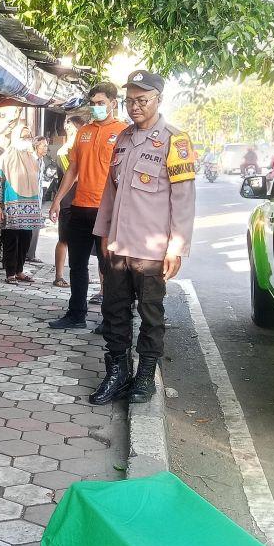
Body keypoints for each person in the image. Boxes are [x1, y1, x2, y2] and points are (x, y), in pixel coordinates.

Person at [92, 70, 196, 405]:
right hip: (119, 245)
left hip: (151, 250)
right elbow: (110, 192)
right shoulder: (122, 139)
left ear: (158, 100)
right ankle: (118, 372)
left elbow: (183, 200)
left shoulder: (175, 141)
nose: (135, 107)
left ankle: (145, 377)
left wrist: (175, 248)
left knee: (151, 313)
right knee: (114, 310)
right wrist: (104, 235)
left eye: (142, 100)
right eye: (130, 100)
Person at [48, 83, 127, 329]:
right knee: (77, 264)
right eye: (93, 103)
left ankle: (110, 320)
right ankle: (76, 315)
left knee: (109, 267)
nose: (96, 108)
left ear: (113, 103)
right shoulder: (83, 132)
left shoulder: (124, 132)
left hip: (107, 211)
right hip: (80, 207)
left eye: (101, 103)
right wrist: (58, 199)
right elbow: (73, 169)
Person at [0, 125, 44, 284]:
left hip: (30, 206)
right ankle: (10, 273)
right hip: (11, 205)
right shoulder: (5, 158)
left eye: (28, 136)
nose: (26, 139)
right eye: (23, 136)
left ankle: (20, 270)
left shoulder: (32, 158)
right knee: (11, 240)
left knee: (26, 239)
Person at [52, 115, 87, 288]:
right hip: (68, 201)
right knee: (64, 239)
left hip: (85, 201)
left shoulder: (83, 148)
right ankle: (59, 276)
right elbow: (72, 174)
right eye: (81, 129)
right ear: (71, 129)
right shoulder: (65, 151)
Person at [25, 135, 51, 263]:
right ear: (36, 146)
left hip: (38, 198)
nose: (46, 148)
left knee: (36, 227)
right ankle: (26, 254)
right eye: (44, 145)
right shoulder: (30, 160)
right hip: (29, 198)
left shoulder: (42, 161)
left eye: (46, 145)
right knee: (28, 228)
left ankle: (31, 254)